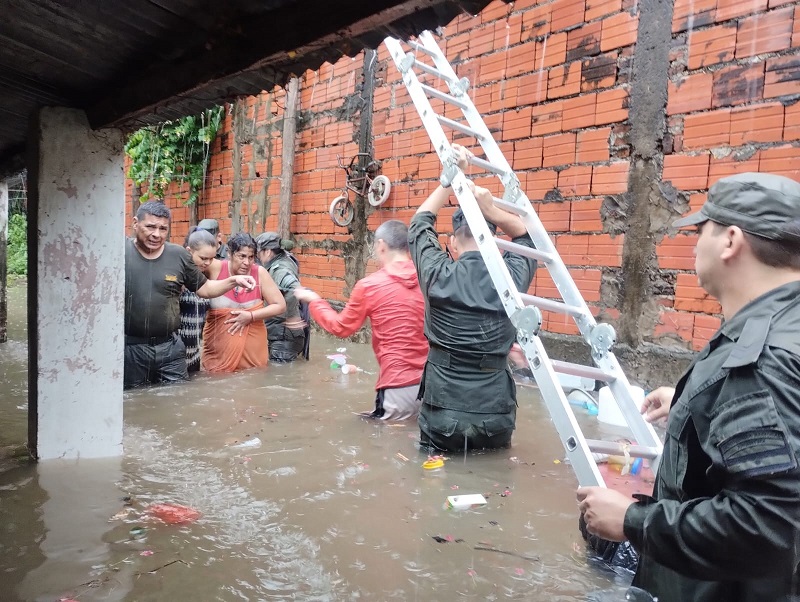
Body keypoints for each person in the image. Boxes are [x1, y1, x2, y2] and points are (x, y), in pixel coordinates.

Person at [577, 172, 800, 602]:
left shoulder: (761, 359)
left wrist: (631, 521)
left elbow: (767, 525)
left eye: (702, 231)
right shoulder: (780, 331)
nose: (695, 244)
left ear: (731, 241)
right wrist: (690, 402)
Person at [408, 145, 537, 451]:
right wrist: (491, 209)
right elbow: (528, 238)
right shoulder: (511, 278)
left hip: (443, 412)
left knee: (434, 483)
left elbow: (418, 223)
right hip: (496, 414)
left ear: (452, 242)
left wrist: (451, 177)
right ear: (493, 238)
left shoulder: (438, 274)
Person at [294, 220, 428, 420]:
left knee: (386, 443)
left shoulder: (369, 285)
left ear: (381, 246)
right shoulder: (430, 277)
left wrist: (315, 301)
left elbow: (341, 328)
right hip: (434, 385)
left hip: (397, 385)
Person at [124, 202, 256, 388]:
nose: (157, 234)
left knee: (179, 398)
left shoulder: (177, 255)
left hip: (170, 347)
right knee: (134, 400)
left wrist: (234, 280)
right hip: (131, 348)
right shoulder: (120, 253)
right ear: (135, 223)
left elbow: (205, 288)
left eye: (163, 229)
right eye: (150, 227)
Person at [202, 232, 285, 373]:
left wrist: (250, 317)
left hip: (253, 359)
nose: (247, 262)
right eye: (242, 256)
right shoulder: (214, 268)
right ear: (230, 254)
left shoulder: (259, 273)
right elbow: (190, 264)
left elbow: (280, 306)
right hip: (217, 355)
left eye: (251, 257)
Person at [256, 232, 309, 362]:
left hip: (283, 336)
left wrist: (291, 316)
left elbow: (294, 288)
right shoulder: (285, 258)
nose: (257, 257)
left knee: (279, 378)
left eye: (258, 253)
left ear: (268, 252)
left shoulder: (279, 269)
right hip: (283, 334)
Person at [178, 227, 216, 373]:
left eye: (211, 258)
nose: (207, 263)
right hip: (174, 355)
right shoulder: (177, 277)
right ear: (189, 251)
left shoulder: (206, 278)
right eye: (203, 258)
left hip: (194, 354)